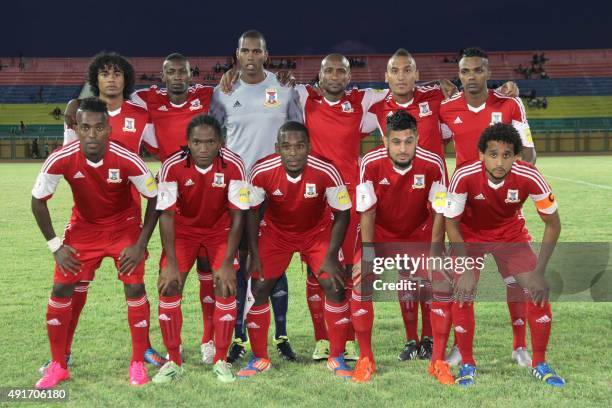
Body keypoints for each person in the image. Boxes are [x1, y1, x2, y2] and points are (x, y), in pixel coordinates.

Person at [31, 98, 159, 388]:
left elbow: (154, 198)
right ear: (76, 128)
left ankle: (137, 361)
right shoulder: (61, 157)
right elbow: (37, 201)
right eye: (84, 127)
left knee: (134, 285)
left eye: (98, 128)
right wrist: (56, 246)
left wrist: (140, 244)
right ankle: (58, 365)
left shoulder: (126, 157)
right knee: (61, 287)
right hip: (84, 227)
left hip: (123, 226)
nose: (91, 134)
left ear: (108, 129)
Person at [58, 52, 164, 369]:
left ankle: (143, 349)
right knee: (74, 287)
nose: (112, 78)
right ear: (96, 79)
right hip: (88, 215)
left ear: (125, 79)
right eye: (105, 73)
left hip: (128, 216)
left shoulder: (139, 113)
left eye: (117, 73)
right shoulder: (79, 115)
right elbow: (67, 158)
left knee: (135, 285)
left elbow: (161, 147)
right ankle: (62, 352)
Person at [441, 123, 564, 387]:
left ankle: (537, 361)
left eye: (507, 155)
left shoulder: (529, 175)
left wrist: (540, 272)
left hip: (510, 235)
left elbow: (553, 223)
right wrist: (463, 267)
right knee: (463, 292)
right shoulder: (464, 174)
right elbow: (451, 223)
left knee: (537, 289)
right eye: (493, 154)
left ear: (516, 157)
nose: (499, 161)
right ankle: (468, 363)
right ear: (481, 155)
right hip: (471, 236)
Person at [439, 47, 537, 368]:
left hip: (505, 214)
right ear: (459, 74)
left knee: (518, 282)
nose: (471, 77)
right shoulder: (446, 107)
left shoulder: (510, 104)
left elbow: (530, 155)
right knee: (463, 286)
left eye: (477, 71)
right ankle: (459, 348)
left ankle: (519, 346)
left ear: (489, 73)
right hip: (465, 216)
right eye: (465, 71)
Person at [211, 30, 303, 363]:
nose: (251, 57)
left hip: (275, 192)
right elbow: (211, 134)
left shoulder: (284, 87)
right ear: (237, 55)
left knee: (272, 264)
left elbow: (299, 134)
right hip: (237, 192)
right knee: (238, 266)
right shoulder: (223, 91)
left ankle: (280, 335)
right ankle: (238, 336)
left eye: (257, 51)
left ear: (266, 54)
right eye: (245, 51)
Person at [237, 121, 352, 378]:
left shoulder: (327, 170)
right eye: (286, 147)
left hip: (317, 232)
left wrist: (332, 256)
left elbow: (342, 213)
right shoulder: (260, 170)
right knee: (258, 288)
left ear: (308, 147)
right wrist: (254, 253)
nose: (293, 153)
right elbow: (252, 213)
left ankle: (336, 357)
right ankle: (260, 357)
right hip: (276, 233)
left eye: (299, 146)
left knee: (335, 285)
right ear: (277, 148)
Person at [352, 111, 448, 383]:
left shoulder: (433, 164)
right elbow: (367, 212)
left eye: (408, 141)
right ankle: (366, 359)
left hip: (418, 234)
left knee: (440, 282)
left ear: (417, 139)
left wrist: (434, 254)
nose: (403, 148)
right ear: (385, 140)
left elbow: (439, 212)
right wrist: (369, 255)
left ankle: (438, 361)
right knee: (360, 283)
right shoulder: (369, 163)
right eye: (396, 142)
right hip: (381, 234)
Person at [153, 115, 248, 383]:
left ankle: (220, 359)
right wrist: (171, 263)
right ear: (188, 143)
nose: (203, 149)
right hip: (182, 231)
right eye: (197, 142)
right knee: (169, 285)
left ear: (220, 142)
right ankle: (173, 360)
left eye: (209, 142)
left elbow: (239, 215)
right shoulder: (172, 165)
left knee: (226, 285)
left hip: (220, 230)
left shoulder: (235, 164)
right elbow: (166, 215)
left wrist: (228, 262)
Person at [131, 53, 214, 161]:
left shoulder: (205, 94)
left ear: (191, 75)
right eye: (171, 72)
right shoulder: (147, 97)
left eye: (183, 71)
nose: (177, 77)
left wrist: (230, 74)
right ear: (163, 76)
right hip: (170, 171)